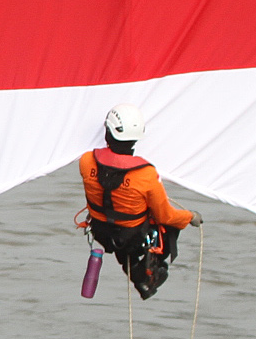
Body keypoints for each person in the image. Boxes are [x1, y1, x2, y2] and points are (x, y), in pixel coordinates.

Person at [78, 104, 201, 299]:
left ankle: (139, 275)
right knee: (166, 227)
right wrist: (190, 217)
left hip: (101, 231)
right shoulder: (146, 175)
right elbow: (166, 215)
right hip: (131, 236)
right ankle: (145, 275)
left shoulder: (86, 161)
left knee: (123, 235)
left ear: (108, 133)